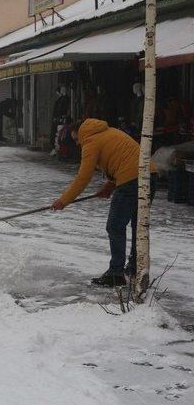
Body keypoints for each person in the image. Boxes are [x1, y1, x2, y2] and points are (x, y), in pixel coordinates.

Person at [51, 118, 158, 287]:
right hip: (149, 174)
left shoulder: (90, 141)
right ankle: (137, 267)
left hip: (131, 180)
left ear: (81, 134)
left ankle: (116, 273)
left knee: (115, 226)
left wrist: (64, 200)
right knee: (139, 226)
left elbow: (83, 177)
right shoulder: (108, 132)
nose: (78, 144)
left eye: (76, 139)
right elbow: (122, 159)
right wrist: (111, 184)